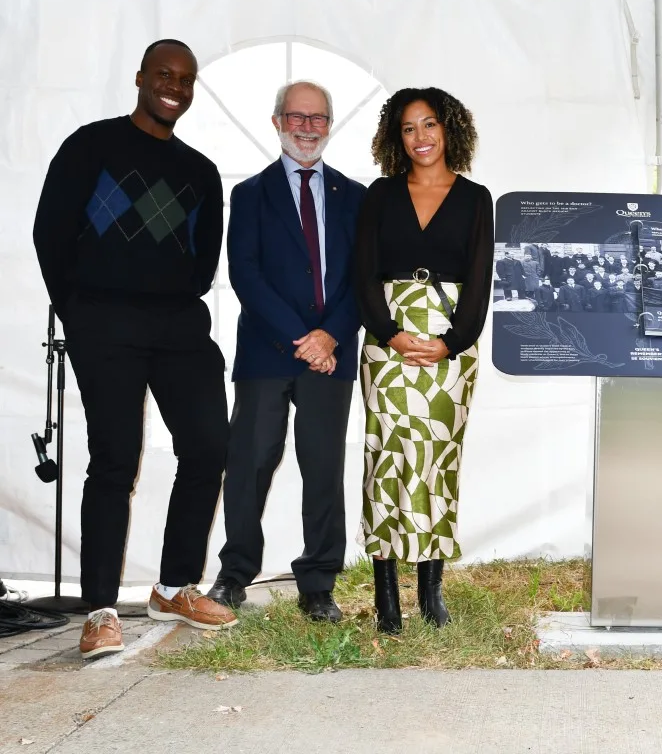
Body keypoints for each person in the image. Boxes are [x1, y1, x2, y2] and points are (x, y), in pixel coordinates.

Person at [31, 39, 236, 659]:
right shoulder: (90, 145)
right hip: (104, 325)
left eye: (186, 79)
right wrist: (83, 313)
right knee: (115, 459)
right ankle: (99, 610)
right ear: (142, 78)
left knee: (208, 446)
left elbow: (203, 262)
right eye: (165, 74)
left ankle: (173, 587)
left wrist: (165, 300)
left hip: (178, 327)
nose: (175, 86)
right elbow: (49, 233)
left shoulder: (200, 171)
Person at [205, 81, 367, 622]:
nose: (307, 126)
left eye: (317, 117)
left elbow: (363, 281)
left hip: (333, 353)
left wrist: (331, 337)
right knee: (249, 464)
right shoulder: (249, 194)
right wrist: (303, 340)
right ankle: (234, 576)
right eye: (296, 117)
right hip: (267, 352)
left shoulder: (356, 197)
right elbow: (245, 276)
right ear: (276, 122)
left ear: (329, 124)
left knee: (323, 468)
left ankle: (319, 583)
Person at [355, 87, 493, 631]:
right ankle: (385, 590)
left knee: (438, 461)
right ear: (397, 137)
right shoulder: (380, 195)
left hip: (450, 345)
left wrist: (451, 342)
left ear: (449, 129)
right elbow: (362, 274)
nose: (420, 138)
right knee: (385, 457)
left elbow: (480, 281)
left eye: (430, 125)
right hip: (387, 346)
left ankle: (431, 588)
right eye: (409, 128)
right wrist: (389, 333)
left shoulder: (476, 197)